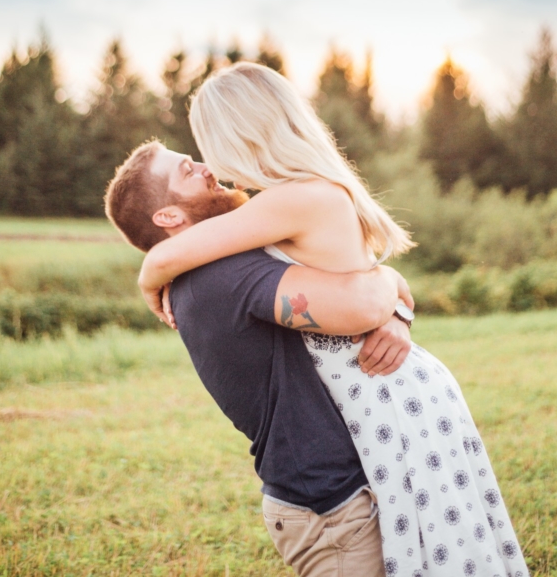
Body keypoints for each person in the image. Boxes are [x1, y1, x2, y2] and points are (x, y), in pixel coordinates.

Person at [137, 62, 530, 577]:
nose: (210, 163)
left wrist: (148, 279)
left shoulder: (293, 200)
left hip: (389, 397)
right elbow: (368, 279)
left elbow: (168, 257)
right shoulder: (299, 196)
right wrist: (394, 297)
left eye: (206, 144)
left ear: (241, 134)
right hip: (388, 394)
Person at [105, 139, 415, 576]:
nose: (206, 167)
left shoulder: (219, 266)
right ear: (168, 216)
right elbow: (361, 302)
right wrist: (387, 280)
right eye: (186, 170)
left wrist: (396, 313)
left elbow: (356, 299)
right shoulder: (217, 276)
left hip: (332, 496)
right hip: (329, 509)